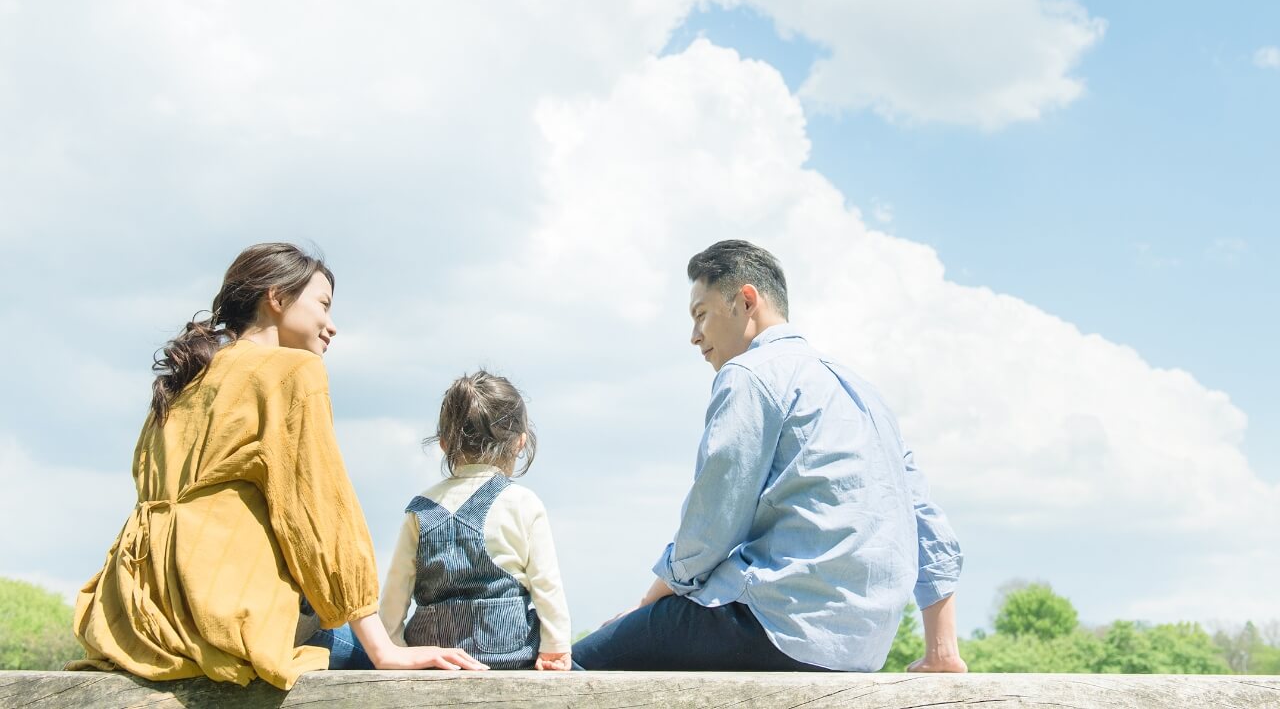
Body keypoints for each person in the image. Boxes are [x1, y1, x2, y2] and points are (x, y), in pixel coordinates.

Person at [69, 242, 488, 690]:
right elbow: (320, 514)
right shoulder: (292, 371)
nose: (332, 326)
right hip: (221, 614)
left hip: (138, 616)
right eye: (323, 305)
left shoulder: (185, 380)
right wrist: (385, 650)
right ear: (277, 297)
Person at [573, 239, 967, 673]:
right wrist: (942, 651)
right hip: (861, 649)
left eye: (700, 314)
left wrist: (649, 605)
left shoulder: (749, 373)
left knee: (574, 670)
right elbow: (925, 519)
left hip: (777, 624)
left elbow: (712, 522)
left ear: (746, 301)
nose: (694, 336)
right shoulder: (865, 394)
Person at [380, 371, 572, 671]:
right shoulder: (522, 502)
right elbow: (546, 585)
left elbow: (396, 591)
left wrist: (394, 647)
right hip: (507, 654)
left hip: (435, 657)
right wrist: (555, 647)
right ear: (520, 442)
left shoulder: (420, 509)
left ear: (444, 443)